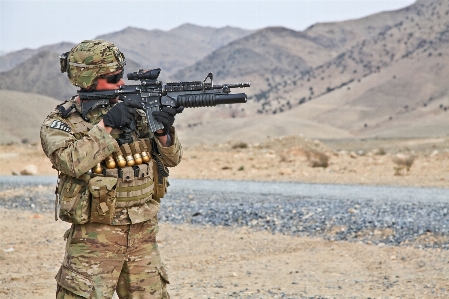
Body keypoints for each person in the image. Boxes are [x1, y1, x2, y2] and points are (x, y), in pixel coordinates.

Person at [40, 39, 183, 299]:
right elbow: (71, 162)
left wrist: (163, 132)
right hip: (93, 239)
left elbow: (172, 160)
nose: (121, 83)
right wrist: (106, 125)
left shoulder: (136, 115)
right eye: (113, 77)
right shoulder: (61, 122)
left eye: (121, 75)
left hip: (142, 234)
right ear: (88, 79)